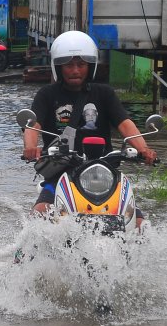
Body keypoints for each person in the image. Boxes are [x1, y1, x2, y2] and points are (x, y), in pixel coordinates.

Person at [21, 30, 157, 215]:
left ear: (90, 66)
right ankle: (27, 244)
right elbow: (33, 124)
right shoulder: (47, 94)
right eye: (68, 65)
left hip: (104, 170)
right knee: (40, 211)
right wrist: (30, 147)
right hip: (62, 171)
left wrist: (143, 149)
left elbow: (125, 123)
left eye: (81, 64)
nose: (75, 70)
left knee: (137, 220)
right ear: (58, 67)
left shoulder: (104, 93)